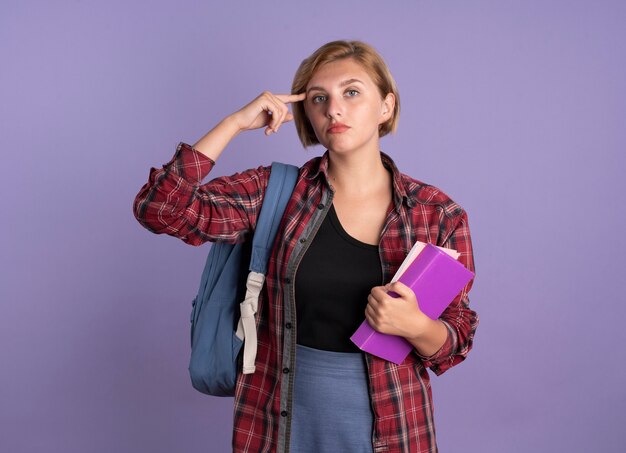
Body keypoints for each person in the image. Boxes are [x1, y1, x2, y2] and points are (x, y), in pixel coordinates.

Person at [134, 40, 478, 453]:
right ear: (307, 115)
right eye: (319, 98)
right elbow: (161, 210)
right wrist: (233, 123)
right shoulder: (275, 194)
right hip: (279, 420)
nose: (334, 109)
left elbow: (455, 336)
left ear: (386, 106)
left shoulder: (436, 214)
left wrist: (417, 327)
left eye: (351, 92)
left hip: (393, 426)